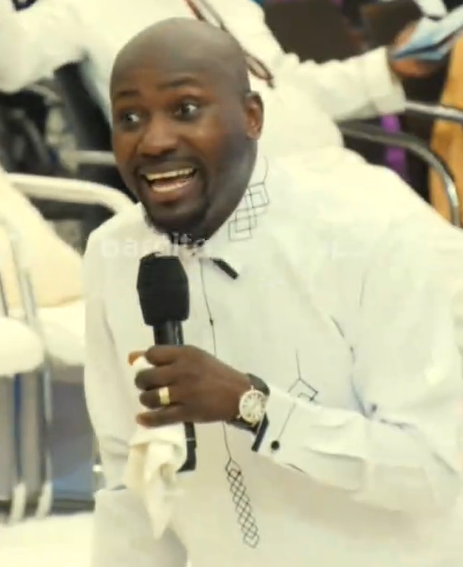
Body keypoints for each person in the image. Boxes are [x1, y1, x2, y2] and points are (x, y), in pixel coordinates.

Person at [84, 18, 463, 567]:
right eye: (130, 118)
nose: (155, 140)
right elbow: (128, 482)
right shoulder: (113, 254)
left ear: (252, 117)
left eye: (185, 109)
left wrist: (254, 408)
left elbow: (433, 469)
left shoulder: (367, 234)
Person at [0, 0, 440, 157]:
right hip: (230, 203)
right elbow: (11, 63)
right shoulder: (82, 6)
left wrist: (388, 67)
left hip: (328, 172)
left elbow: (285, 85)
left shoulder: (227, 3)